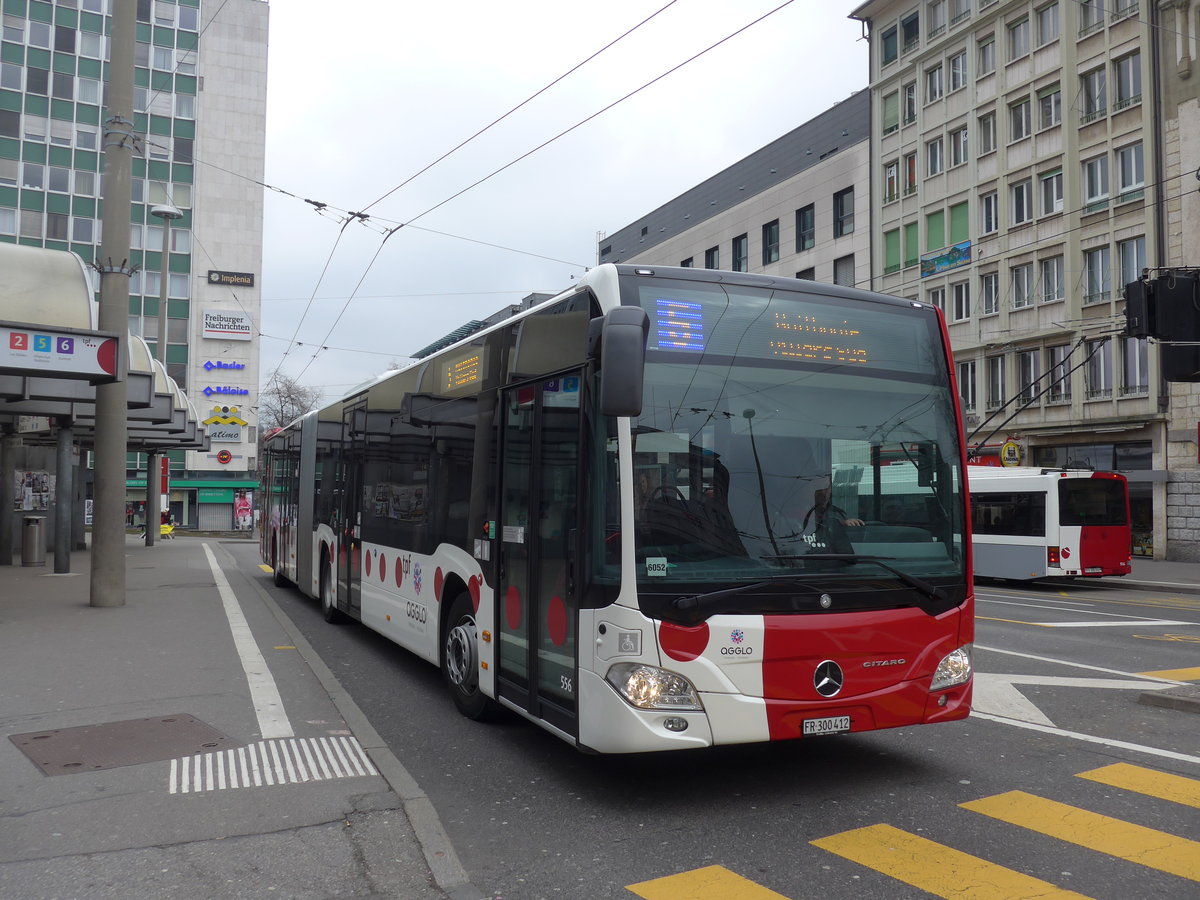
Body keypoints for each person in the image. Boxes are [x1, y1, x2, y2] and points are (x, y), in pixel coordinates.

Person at [800, 476, 863, 552]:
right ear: (807, 490)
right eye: (818, 487)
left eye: (827, 487)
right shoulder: (793, 514)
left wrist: (845, 524)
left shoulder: (838, 514)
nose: (823, 492)